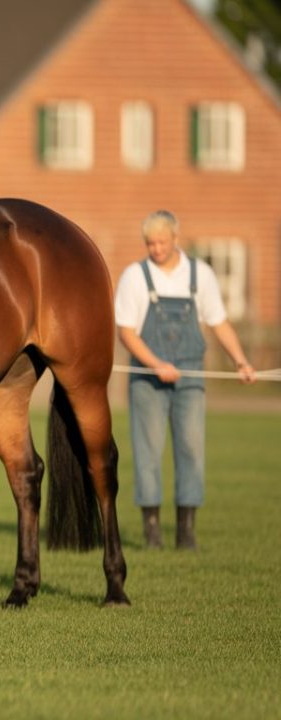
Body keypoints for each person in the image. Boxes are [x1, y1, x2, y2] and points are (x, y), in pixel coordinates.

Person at [114, 210, 255, 550]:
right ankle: (151, 533)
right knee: (148, 451)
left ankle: (186, 532)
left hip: (190, 374)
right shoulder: (135, 276)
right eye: (150, 243)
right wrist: (156, 363)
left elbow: (218, 322)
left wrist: (241, 361)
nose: (156, 248)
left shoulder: (200, 274)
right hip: (148, 377)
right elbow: (126, 333)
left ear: (176, 239)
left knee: (191, 449)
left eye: (162, 242)